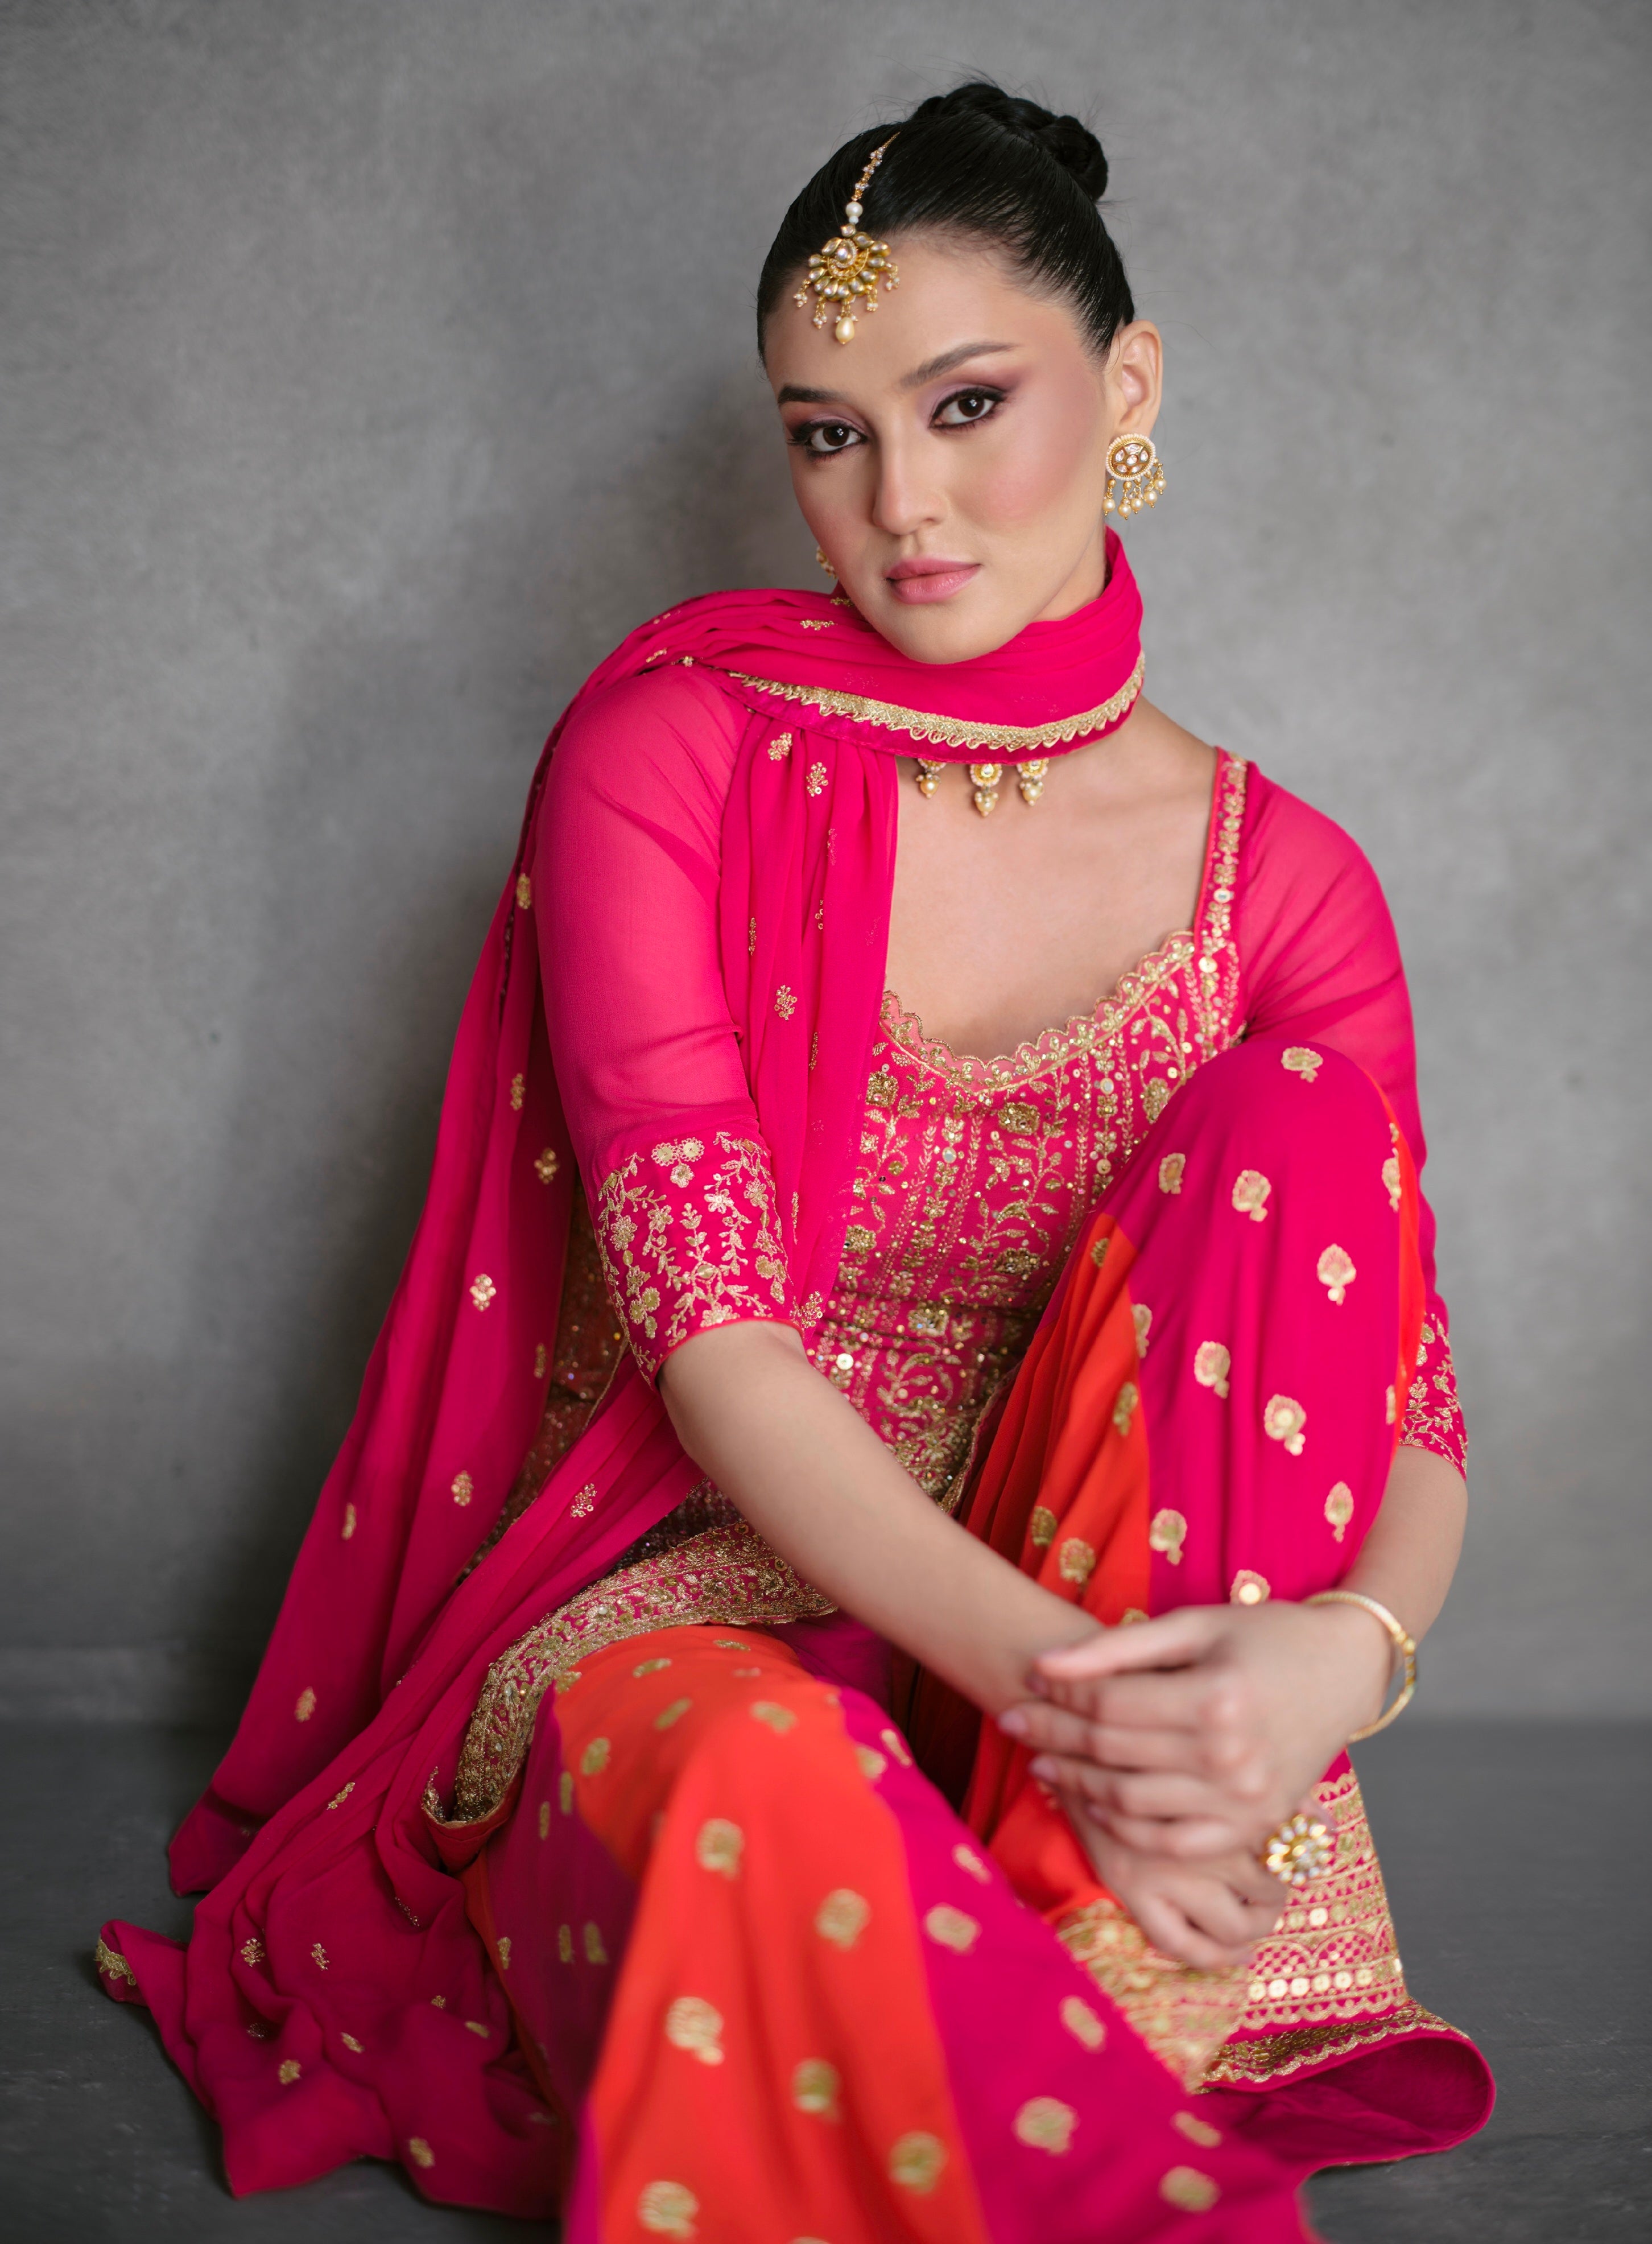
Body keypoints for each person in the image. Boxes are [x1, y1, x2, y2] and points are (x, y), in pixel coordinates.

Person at [99, 81, 1492, 2241]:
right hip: (708, 1596)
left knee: (1301, 1127)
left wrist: (1342, 1661)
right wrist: (1072, 1704)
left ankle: (1082, 1929)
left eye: (966, 406)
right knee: (767, 1792)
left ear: (1129, 391)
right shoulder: (674, 755)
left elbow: (1406, 1410)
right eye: (829, 433)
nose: (898, 502)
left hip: (1109, 1630)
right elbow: (719, 1350)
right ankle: (1084, 2023)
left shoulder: (1283, 881)